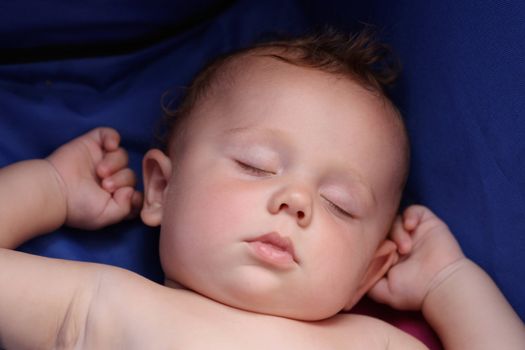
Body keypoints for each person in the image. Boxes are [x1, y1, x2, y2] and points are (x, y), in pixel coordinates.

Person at [0, 29, 523, 350]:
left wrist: (450, 284)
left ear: (369, 271)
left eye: (340, 204)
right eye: (256, 165)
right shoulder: (102, 303)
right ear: (161, 189)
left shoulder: (371, 341)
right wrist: (50, 188)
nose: (295, 201)